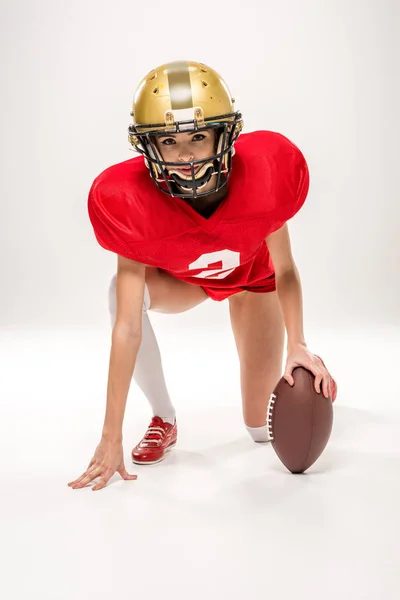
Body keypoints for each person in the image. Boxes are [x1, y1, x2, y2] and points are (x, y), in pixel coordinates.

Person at [68, 60, 337, 492]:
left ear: (223, 134)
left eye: (198, 135)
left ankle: (286, 382)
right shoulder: (128, 201)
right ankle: (164, 416)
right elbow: (127, 328)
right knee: (119, 294)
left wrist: (298, 345)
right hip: (187, 281)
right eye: (169, 141)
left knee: (260, 430)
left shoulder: (264, 176)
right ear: (149, 146)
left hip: (253, 281)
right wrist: (110, 435)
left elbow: (285, 270)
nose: (186, 154)